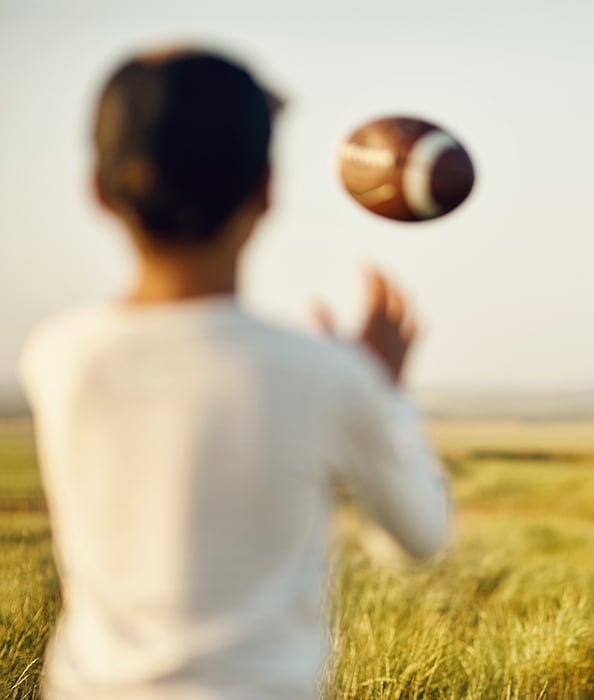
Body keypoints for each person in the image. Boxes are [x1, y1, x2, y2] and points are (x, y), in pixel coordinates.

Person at [18, 48, 451, 699]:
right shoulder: (325, 376)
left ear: (98, 192)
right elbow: (418, 536)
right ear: (266, 191)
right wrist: (385, 397)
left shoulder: (57, 356)